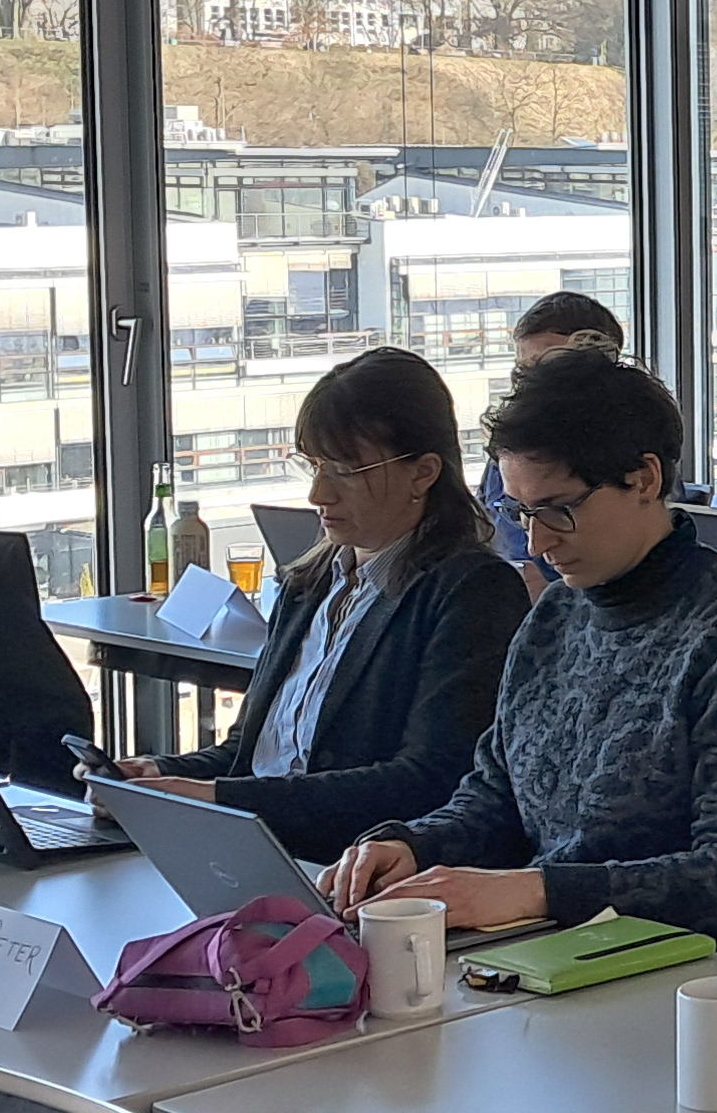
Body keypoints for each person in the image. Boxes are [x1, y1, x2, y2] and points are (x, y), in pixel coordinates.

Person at [322, 351, 717, 962]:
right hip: (551, 954)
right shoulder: (555, 617)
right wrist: (414, 848)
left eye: (557, 510)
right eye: (519, 512)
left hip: (681, 982)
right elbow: (497, 797)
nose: (536, 542)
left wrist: (535, 892)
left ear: (644, 479)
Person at [92, 348, 525, 858]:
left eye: (345, 470)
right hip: (255, 850)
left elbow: (428, 781)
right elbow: (250, 756)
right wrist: (158, 774)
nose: (319, 493)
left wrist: (217, 799)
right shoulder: (308, 584)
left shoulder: (472, 590)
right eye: (315, 466)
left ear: (423, 472)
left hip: (356, 867)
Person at [481, 291, 623, 586]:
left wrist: (556, 597)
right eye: (524, 373)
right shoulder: (509, 454)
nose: (532, 387)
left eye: (547, 368)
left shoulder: (623, 452)